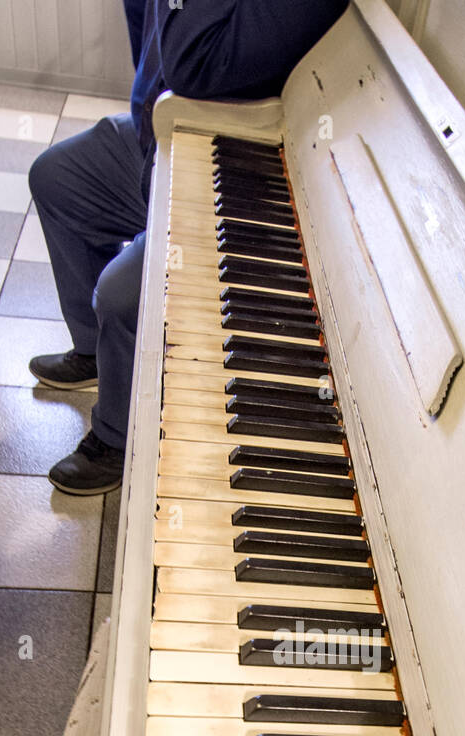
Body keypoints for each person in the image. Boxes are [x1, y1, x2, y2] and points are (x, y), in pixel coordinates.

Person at [28, 0, 348, 496]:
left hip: (235, 154)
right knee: (55, 178)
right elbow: (150, 40)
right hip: (163, 136)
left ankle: (118, 435)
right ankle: (96, 353)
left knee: (120, 295)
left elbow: (193, 61)